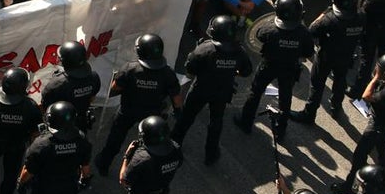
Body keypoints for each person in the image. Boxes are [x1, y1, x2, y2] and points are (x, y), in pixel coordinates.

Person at [94, 33, 181, 177]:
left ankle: (104, 164)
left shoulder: (130, 69)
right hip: (152, 116)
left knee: (115, 139)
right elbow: (176, 97)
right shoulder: (168, 73)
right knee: (148, 143)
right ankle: (141, 169)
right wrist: (178, 111)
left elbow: (115, 89)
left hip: (127, 111)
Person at [233, 0, 313, 142]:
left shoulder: (270, 29)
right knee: (285, 97)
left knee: (255, 93)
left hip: (269, 65)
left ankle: (246, 122)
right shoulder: (304, 33)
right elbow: (308, 53)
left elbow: (258, 34)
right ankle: (280, 130)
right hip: (290, 68)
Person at [174, 16, 253, 164]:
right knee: (216, 122)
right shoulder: (239, 51)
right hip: (223, 91)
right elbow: (246, 71)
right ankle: (211, 155)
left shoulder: (204, 49)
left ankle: (174, 144)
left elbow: (190, 69)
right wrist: (232, 70)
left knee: (186, 117)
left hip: (200, 89)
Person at [338, 51, 385, 194]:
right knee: (383, 152)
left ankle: (349, 186)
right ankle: (382, 179)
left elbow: (366, 96)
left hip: (377, 126)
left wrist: (376, 78)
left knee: (359, 157)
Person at [291, 0, 364, 124]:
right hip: (346, 56)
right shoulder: (361, 16)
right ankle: (336, 107)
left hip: (326, 56)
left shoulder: (329, 19)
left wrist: (325, 12)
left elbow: (311, 30)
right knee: (340, 81)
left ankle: (309, 114)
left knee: (317, 85)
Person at [39, 41, 101, 136]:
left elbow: (45, 105)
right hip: (82, 121)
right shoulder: (94, 77)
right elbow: (92, 97)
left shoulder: (56, 85)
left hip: (58, 124)